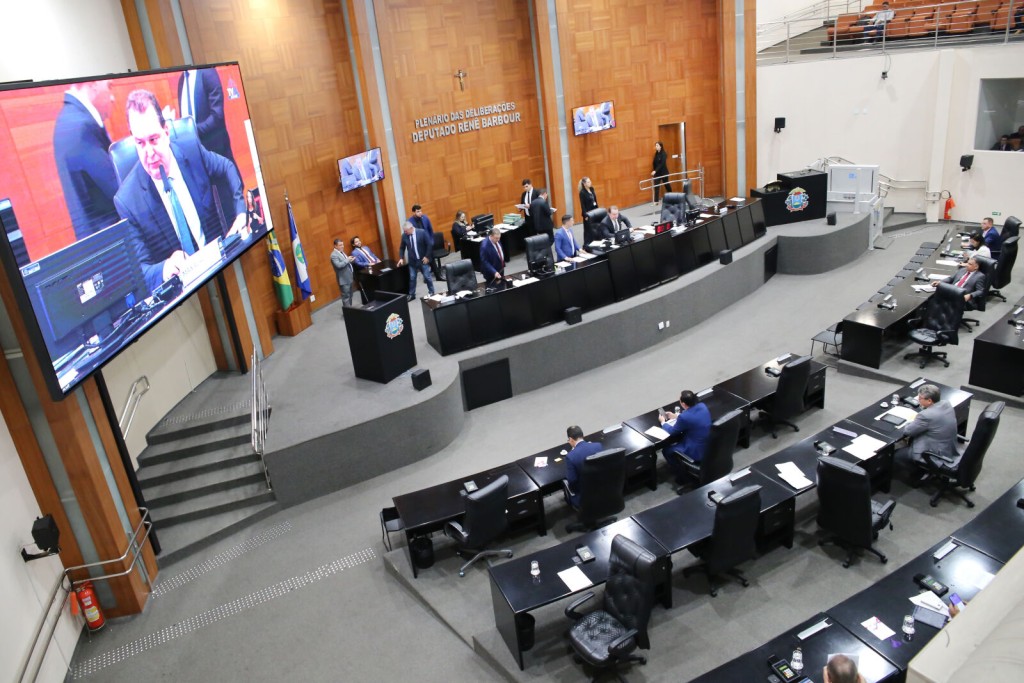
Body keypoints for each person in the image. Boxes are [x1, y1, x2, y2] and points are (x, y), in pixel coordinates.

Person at [113, 89, 245, 293]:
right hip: (184, 294)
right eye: (140, 143)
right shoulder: (127, 201)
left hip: (222, 268)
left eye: (153, 139)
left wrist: (241, 212)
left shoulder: (191, 150)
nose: (149, 153)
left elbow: (227, 167)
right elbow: (141, 272)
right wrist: (165, 268)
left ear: (166, 132)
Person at [52, 79, 120, 239]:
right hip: (110, 238)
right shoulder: (81, 126)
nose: (112, 98)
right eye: (109, 86)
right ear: (93, 84)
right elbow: (117, 188)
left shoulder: (69, 119)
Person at [173, 68, 234, 163]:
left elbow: (217, 116)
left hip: (217, 153)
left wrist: (192, 131)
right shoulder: (182, 79)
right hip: (195, 154)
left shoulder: (207, 72)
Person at [659, 390, 712, 488]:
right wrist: (676, 416)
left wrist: (663, 422)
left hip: (695, 451)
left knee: (666, 451)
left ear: (683, 403)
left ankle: (682, 476)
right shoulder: (702, 406)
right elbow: (692, 418)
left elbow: (673, 431)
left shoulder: (684, 417)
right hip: (709, 445)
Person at [897, 384, 958, 466]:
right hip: (948, 448)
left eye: (920, 398)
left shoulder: (925, 415)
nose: (918, 400)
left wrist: (910, 422)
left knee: (896, 455)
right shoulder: (946, 404)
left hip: (934, 454)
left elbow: (908, 431)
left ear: (929, 401)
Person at [563, 425, 603, 507]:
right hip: (604, 490)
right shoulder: (598, 446)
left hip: (585, 498)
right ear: (582, 435)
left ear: (570, 439)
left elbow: (572, 481)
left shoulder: (570, 456)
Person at [397, 221, 434, 300]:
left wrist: (427, 256)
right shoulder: (404, 236)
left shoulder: (422, 232)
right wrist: (401, 258)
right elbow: (402, 248)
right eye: (404, 231)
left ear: (411, 228)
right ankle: (412, 295)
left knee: (427, 277)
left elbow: (429, 245)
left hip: (422, 260)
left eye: (406, 231)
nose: (405, 232)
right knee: (412, 278)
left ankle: (431, 292)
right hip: (412, 261)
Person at [330, 238, 356, 306]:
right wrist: (347, 260)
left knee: (350, 295)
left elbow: (346, 263)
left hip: (349, 277)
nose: (342, 246)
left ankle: (350, 309)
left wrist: (351, 260)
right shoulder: (333, 255)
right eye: (340, 245)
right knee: (346, 298)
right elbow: (338, 265)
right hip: (343, 280)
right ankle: (348, 312)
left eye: (343, 244)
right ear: (335, 246)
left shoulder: (341, 252)